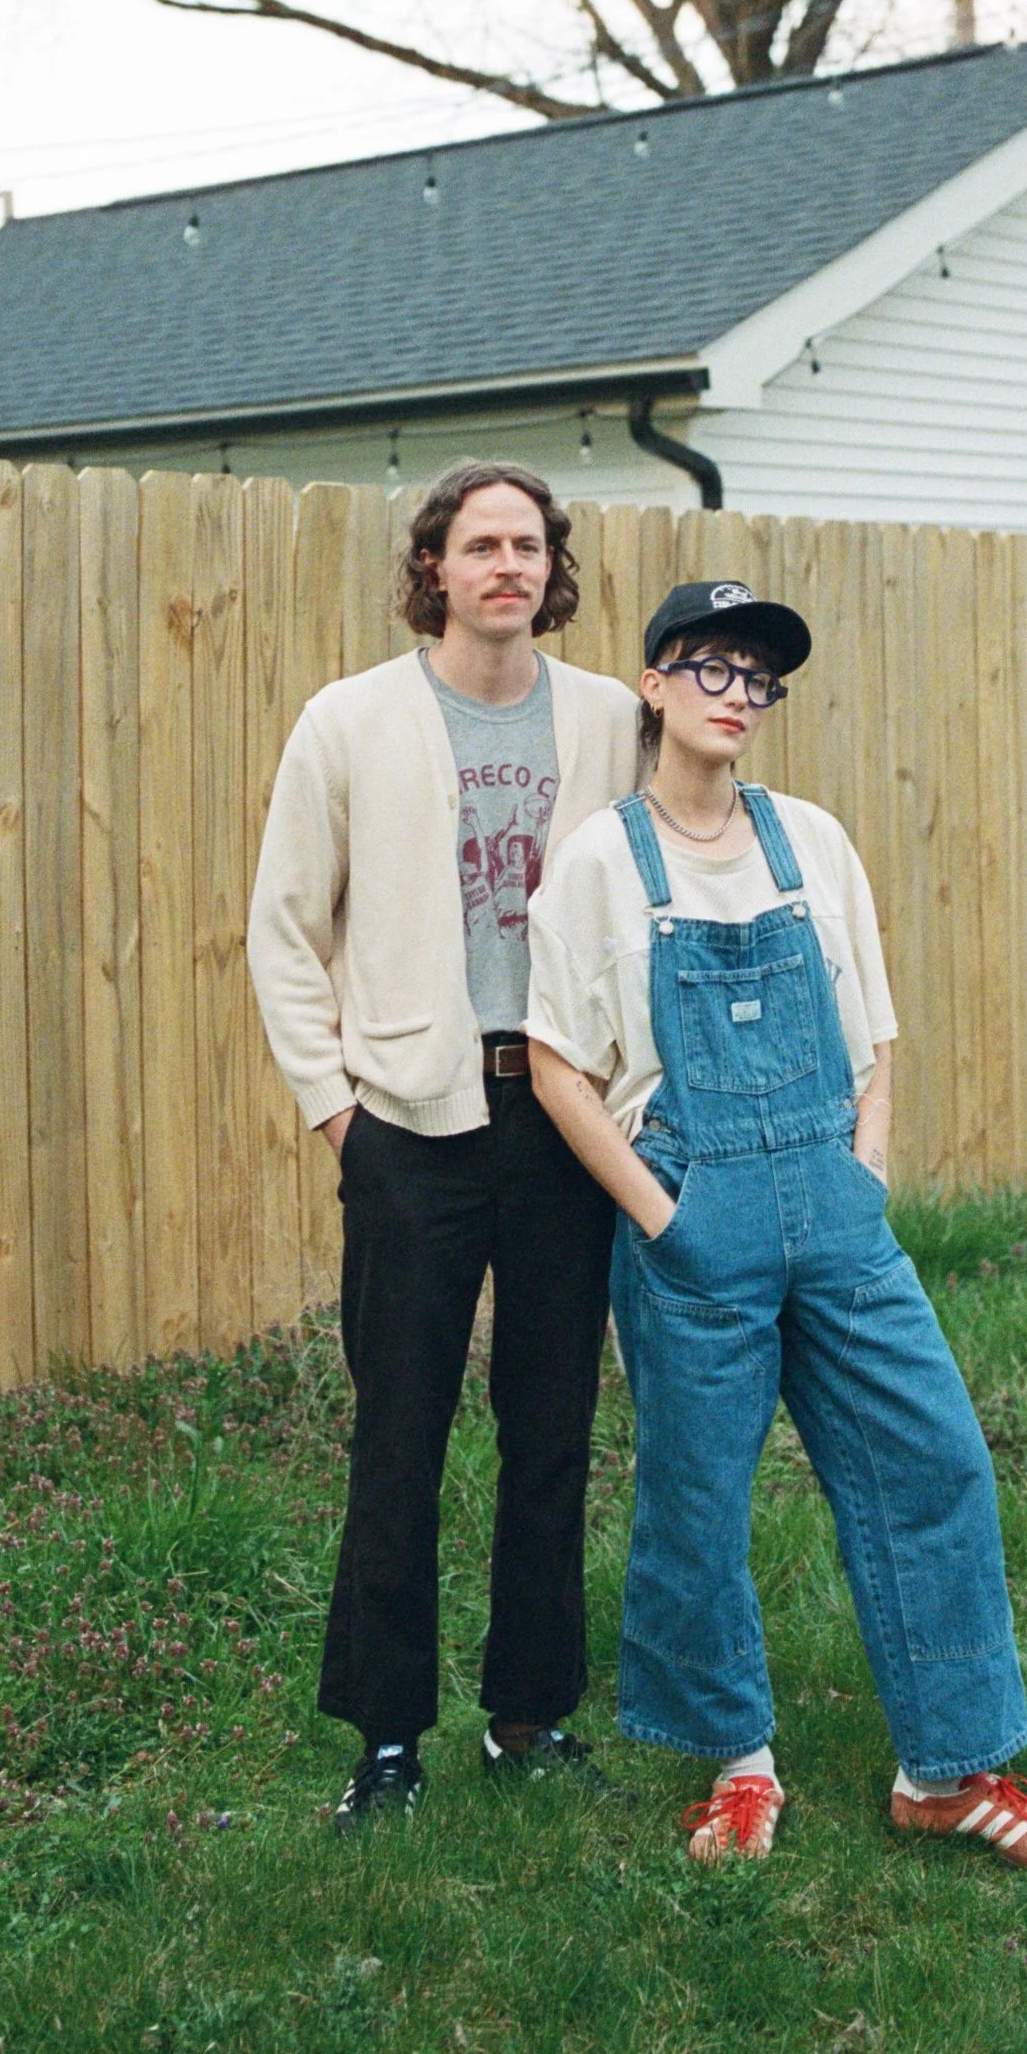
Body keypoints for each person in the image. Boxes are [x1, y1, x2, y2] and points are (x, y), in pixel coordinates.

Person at [526, 578, 1027, 1869]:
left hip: (836, 1215)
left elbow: (875, 1033)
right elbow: (555, 1060)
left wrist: (868, 1170)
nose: (737, 696)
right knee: (698, 1500)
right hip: (694, 1221)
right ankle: (738, 1766)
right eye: (712, 669)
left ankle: (949, 1773)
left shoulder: (812, 844)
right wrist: (660, 1216)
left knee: (935, 1457)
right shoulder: (602, 862)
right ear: (656, 684)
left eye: (759, 678)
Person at [248, 458, 640, 1828]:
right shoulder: (351, 722)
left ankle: (527, 1717)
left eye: (528, 545)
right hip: (410, 1124)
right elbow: (285, 928)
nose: (506, 567)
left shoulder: (603, 720)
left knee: (550, 1432)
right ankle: (389, 1738)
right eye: (480, 545)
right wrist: (336, 1111)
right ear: (436, 569)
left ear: (551, 569)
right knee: (398, 1437)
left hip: (557, 1119)